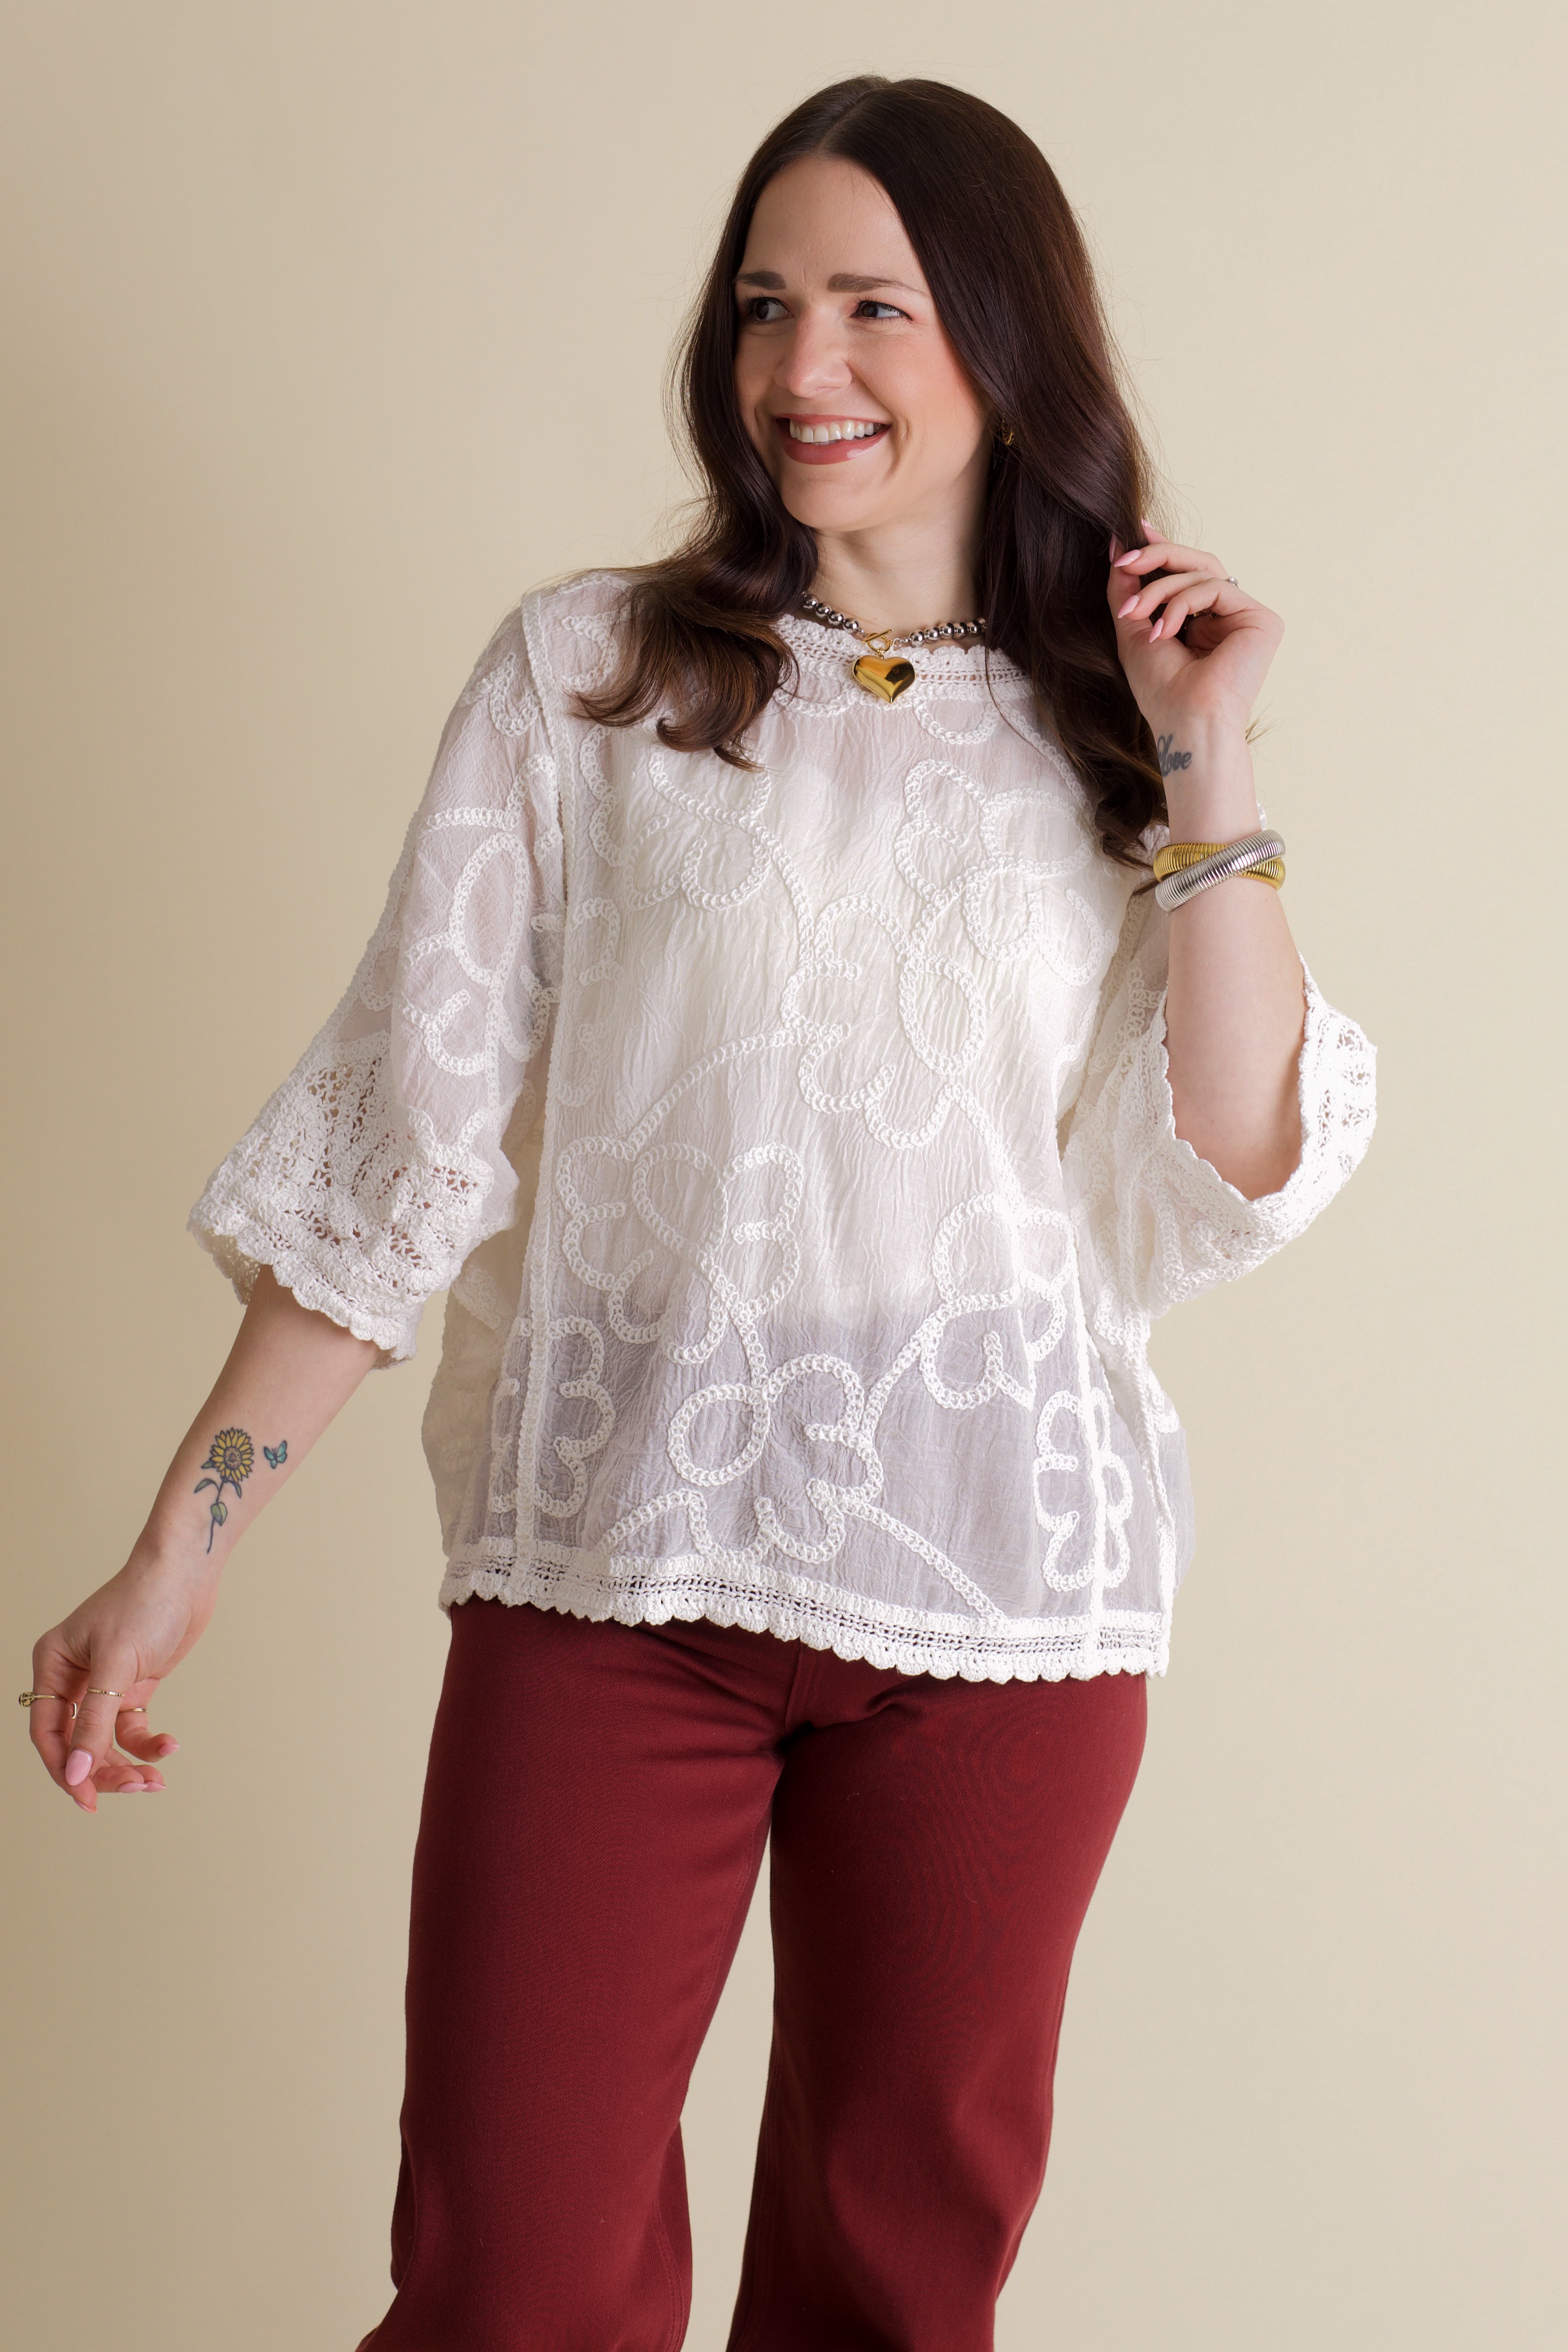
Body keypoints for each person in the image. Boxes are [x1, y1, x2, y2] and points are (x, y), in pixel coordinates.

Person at [24, 74, 1375, 2352]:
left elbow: (1231, 1149)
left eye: (870, 307)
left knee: (890, 2292)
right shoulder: (589, 676)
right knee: (509, 2280)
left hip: (1001, 1601)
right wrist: (180, 1547)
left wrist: (1207, 757)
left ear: (1006, 340)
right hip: (618, 1552)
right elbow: (400, 1155)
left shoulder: (1112, 729)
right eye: (763, 305)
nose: (799, 366)